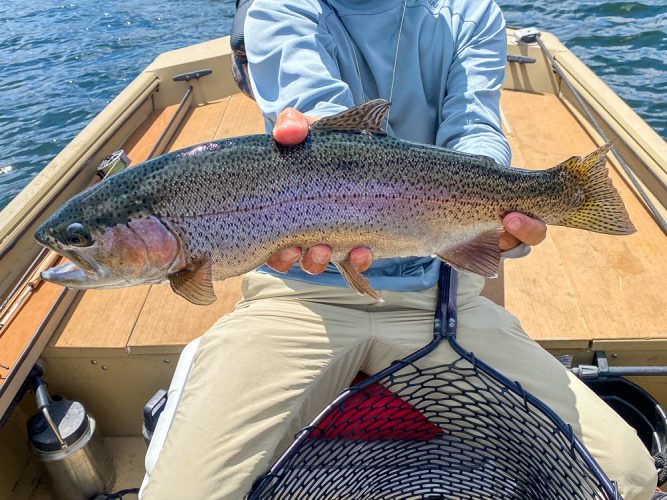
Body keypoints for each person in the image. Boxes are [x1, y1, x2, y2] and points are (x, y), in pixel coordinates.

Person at [141, 0, 657, 498]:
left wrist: (491, 213)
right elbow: (322, 119)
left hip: (442, 292)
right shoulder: (279, 8)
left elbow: (475, 127)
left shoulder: (470, 12)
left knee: (628, 478)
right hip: (300, 296)